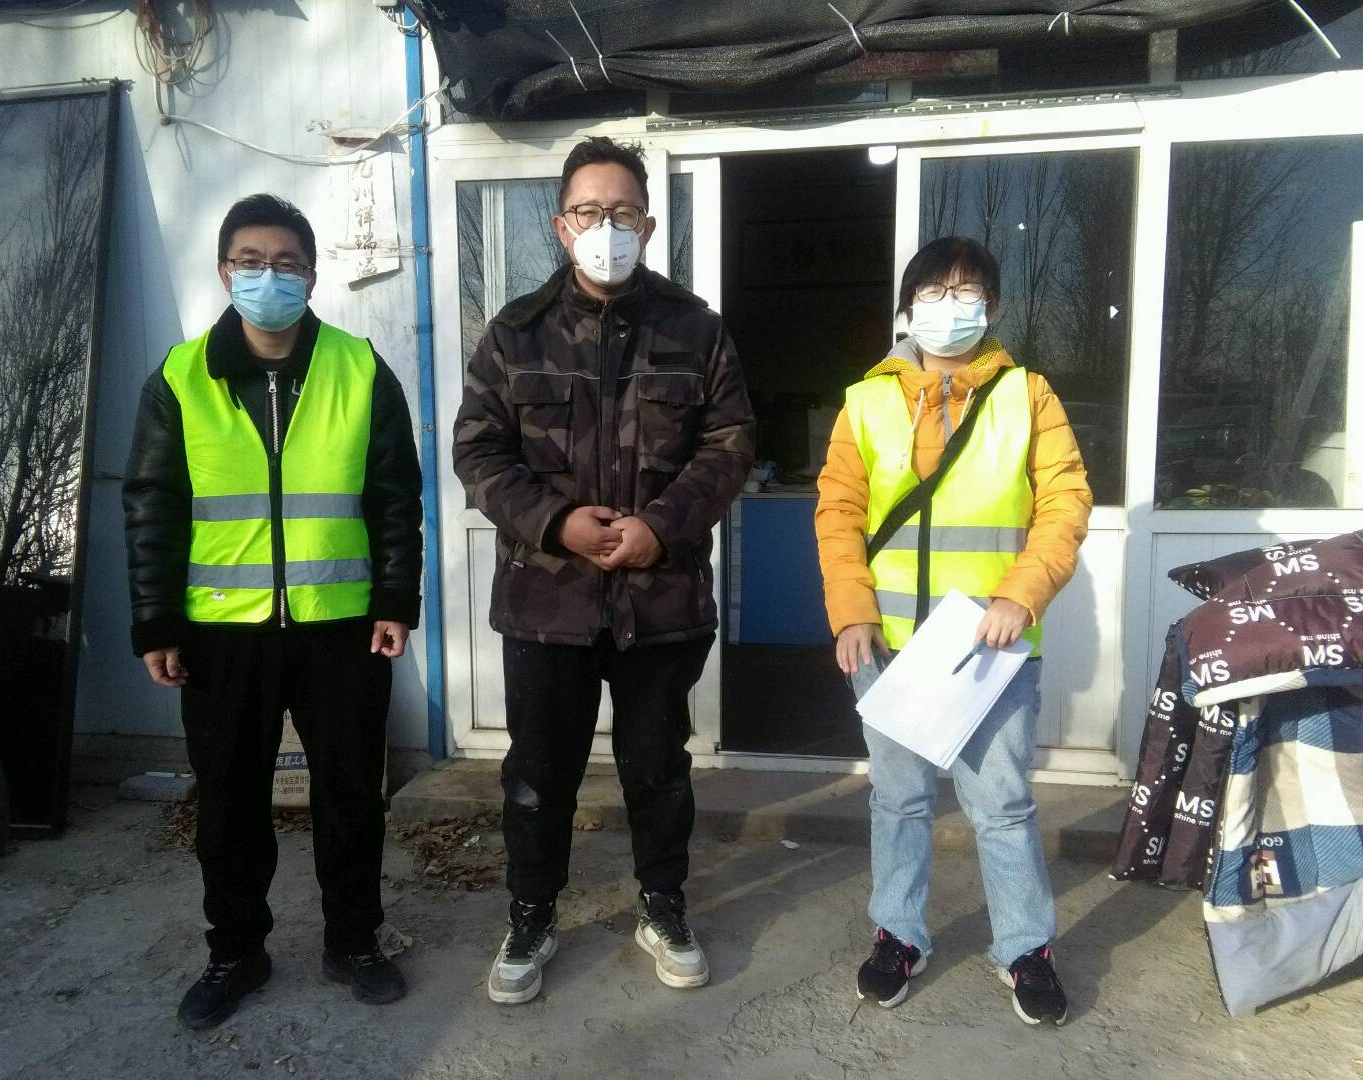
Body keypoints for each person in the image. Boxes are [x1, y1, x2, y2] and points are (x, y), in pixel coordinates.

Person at [453, 136, 755, 1005]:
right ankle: (531, 914)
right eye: (588, 211)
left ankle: (663, 906)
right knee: (537, 776)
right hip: (546, 602)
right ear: (560, 225)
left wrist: (660, 527)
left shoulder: (696, 330)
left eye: (622, 212)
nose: (605, 227)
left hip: (660, 600)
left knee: (658, 770)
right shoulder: (514, 333)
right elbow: (478, 451)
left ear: (649, 225)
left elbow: (730, 445)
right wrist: (558, 524)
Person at [123, 194, 423, 1029]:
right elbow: (151, 506)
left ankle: (354, 942)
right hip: (221, 636)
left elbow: (396, 495)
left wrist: (396, 599)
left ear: (312, 275)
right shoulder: (181, 378)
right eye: (251, 261)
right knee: (228, 804)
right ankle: (235, 953)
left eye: (287, 262)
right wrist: (157, 622)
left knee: (350, 796)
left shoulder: (359, 368)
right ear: (225, 272)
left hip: (342, 627)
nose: (269, 276)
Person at [814, 236, 1091, 1026]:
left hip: (990, 648)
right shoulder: (865, 401)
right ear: (908, 308)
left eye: (966, 292)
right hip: (890, 644)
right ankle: (899, 934)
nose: (949, 306)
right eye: (933, 292)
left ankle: (1025, 948)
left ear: (992, 307)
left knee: (1002, 804)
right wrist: (851, 609)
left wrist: (1021, 597)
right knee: (898, 800)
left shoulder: (1028, 395)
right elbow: (837, 511)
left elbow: (1065, 503)